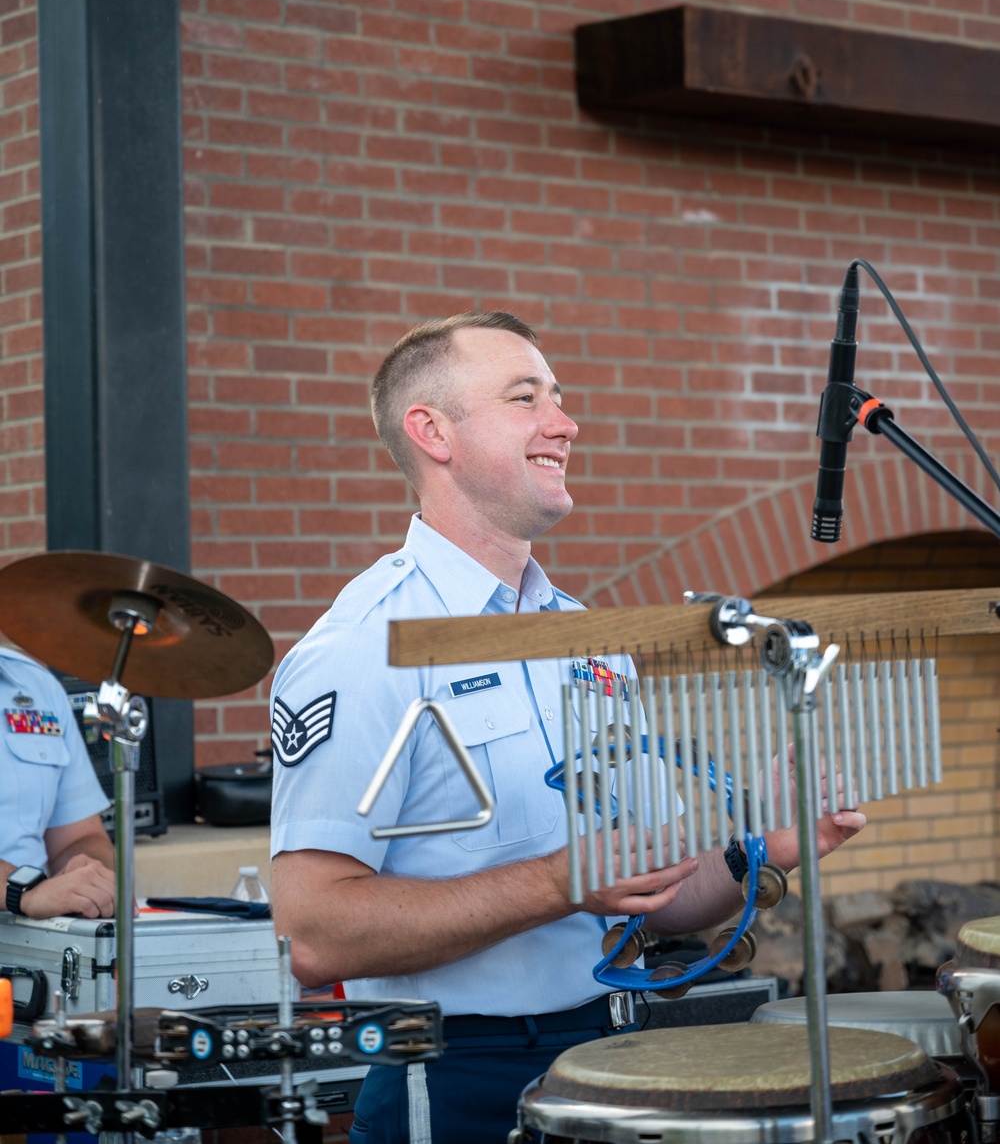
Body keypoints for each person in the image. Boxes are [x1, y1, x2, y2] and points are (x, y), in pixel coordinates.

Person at [270, 310, 865, 1144]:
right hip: (452, 1081)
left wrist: (756, 845)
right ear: (431, 430)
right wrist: (557, 881)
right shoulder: (364, 647)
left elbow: (651, 898)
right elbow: (313, 932)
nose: (564, 421)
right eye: (526, 397)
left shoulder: (588, 640)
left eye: (560, 397)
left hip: (612, 1055)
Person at [1, 645, 115, 919]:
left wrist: (86, 874)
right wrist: (23, 891)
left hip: (32, 943)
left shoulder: (37, 687)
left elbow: (78, 835)